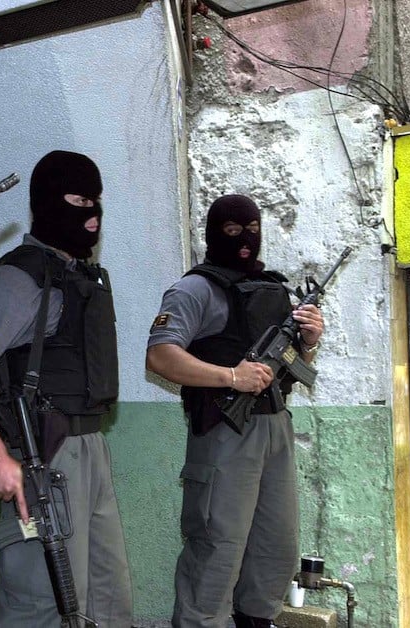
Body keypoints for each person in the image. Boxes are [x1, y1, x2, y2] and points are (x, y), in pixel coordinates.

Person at [0, 150, 133, 627]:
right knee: (41, 602)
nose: (91, 213)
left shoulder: (78, 276)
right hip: (44, 454)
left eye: (97, 201)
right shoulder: (19, 277)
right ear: (48, 203)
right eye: (78, 199)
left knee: (106, 598)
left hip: (88, 447)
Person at [145, 194, 325, 628]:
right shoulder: (194, 289)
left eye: (252, 230)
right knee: (217, 548)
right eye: (231, 232)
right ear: (213, 233)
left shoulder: (275, 290)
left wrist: (310, 341)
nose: (245, 241)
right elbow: (159, 357)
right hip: (225, 429)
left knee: (275, 548)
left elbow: (293, 365)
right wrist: (231, 376)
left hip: (275, 427)